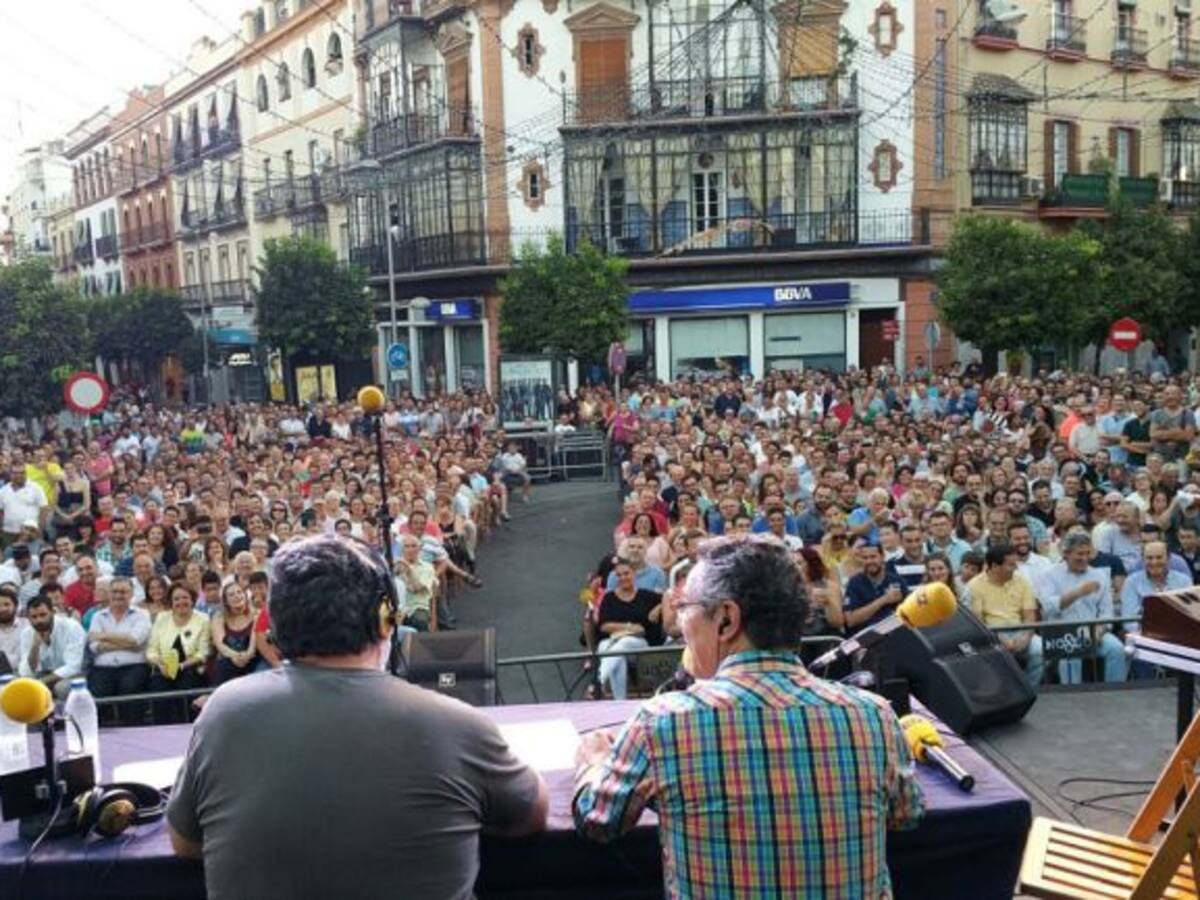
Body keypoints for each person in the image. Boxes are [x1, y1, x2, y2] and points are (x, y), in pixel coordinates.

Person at [166, 535, 549, 899]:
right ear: (384, 618)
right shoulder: (456, 724)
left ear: (277, 626)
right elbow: (529, 815)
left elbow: (185, 842)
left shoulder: (222, 713)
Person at [573, 535, 924, 897]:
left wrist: (594, 763)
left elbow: (598, 819)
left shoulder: (660, 723)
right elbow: (907, 813)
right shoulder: (874, 717)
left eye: (685, 607)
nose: (680, 622)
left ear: (727, 619)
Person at [1037, 532, 1127, 684]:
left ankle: (1115, 692)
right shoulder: (1049, 574)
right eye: (1079, 554)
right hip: (1062, 633)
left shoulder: (1099, 575)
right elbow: (1049, 608)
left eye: (1087, 553)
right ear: (1066, 553)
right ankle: (1072, 695)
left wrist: (1099, 629)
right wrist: (1078, 592)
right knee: (1071, 654)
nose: (1084, 558)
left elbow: (1106, 611)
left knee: (1116, 649)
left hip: (1092, 631)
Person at [963, 542, 1043, 687]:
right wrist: (1000, 640)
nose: (1015, 568)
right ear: (994, 566)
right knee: (996, 653)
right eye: (1011, 565)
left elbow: (1030, 616)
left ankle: (1029, 688)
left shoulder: (1022, 581)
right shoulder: (974, 586)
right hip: (991, 634)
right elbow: (978, 623)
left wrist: (1025, 636)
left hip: (1019, 630)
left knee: (1040, 649)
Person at [595, 559, 665, 699]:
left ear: (634, 574)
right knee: (616, 655)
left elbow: (670, 597)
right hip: (613, 641)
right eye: (619, 575)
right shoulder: (609, 598)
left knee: (625, 643)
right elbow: (603, 625)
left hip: (639, 645)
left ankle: (600, 677)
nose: (623, 578)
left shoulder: (647, 596)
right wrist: (629, 627)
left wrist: (659, 607)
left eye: (626, 573)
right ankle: (619, 702)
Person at [86, 577, 152, 698]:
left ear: (131, 594)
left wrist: (102, 636)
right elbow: (94, 646)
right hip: (102, 668)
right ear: (109, 593)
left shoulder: (142, 614)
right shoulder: (98, 616)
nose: (118, 595)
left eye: (123, 592)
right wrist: (128, 644)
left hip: (134, 667)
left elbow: (135, 640)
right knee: (98, 693)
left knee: (129, 689)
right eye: (114, 591)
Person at [18, 592, 87, 698]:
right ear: (28, 618)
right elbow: (26, 671)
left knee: (61, 688)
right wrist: (35, 646)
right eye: (34, 617)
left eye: (43, 615)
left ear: (52, 612)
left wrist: (41, 682)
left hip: (75, 674)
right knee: (17, 686)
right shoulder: (27, 633)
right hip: (45, 674)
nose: (39, 620)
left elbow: (73, 667)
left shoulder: (71, 627)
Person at [843, 539, 907, 630]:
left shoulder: (896, 580)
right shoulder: (854, 583)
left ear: (882, 556)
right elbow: (850, 620)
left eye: (873, 557)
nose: (869, 561)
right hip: (867, 634)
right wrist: (884, 599)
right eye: (865, 558)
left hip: (895, 631)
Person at [211, 582, 257, 684]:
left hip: (251, 660)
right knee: (223, 666)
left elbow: (253, 647)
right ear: (226, 601)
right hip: (227, 660)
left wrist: (247, 655)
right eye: (231, 595)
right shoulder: (219, 617)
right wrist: (235, 656)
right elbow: (220, 644)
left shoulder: (256, 614)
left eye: (239, 592)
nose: (236, 596)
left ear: (245, 595)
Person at [0, 585, 29, 673]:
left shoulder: (27, 625)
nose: (2, 609)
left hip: (23, 674)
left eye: (7, 604)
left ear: (16, 606)